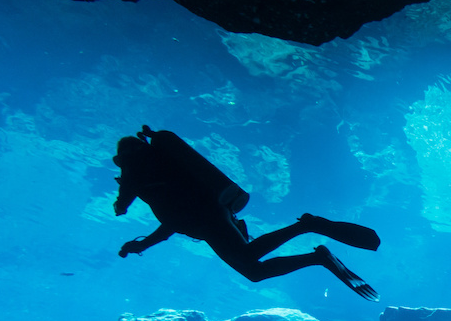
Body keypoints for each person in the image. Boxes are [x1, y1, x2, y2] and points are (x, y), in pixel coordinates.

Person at [113, 126, 380, 300]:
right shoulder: (155, 172)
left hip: (209, 219)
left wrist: (134, 229)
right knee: (253, 270)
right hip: (212, 217)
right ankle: (316, 253)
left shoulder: (138, 172)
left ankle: (307, 232)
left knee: (250, 262)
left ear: (126, 158)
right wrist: (143, 243)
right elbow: (171, 219)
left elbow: (158, 213)